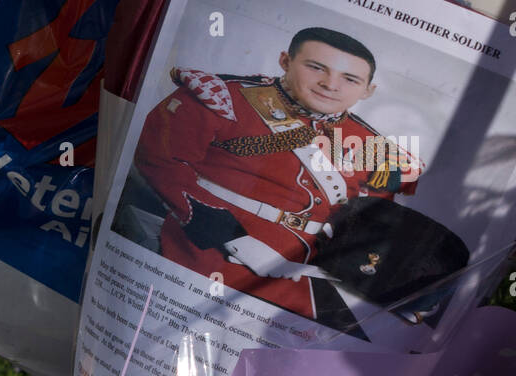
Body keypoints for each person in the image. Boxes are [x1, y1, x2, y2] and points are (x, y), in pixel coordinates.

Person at [124, 27, 422, 325]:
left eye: (350, 79)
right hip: (218, 251)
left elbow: (372, 217)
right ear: (285, 61)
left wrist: (389, 282)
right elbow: (161, 161)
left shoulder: (370, 143)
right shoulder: (225, 99)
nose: (331, 85)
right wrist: (236, 240)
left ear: (367, 91)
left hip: (314, 270)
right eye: (316, 67)